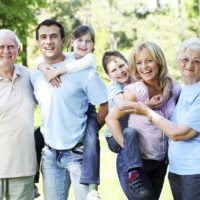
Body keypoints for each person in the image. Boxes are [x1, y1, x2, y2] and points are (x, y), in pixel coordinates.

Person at [31, 19, 108, 200]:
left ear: (63, 39)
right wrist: (42, 66)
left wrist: (89, 132)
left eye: (53, 37)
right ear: (37, 42)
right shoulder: (35, 75)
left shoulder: (84, 70)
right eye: (43, 37)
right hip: (49, 156)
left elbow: (106, 105)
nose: (48, 41)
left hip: (78, 154)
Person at [121, 37, 200, 200]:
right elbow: (112, 117)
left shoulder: (183, 90)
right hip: (171, 170)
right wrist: (127, 147)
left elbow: (179, 133)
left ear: (159, 62)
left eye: (196, 61)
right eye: (185, 60)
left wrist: (147, 111)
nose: (189, 65)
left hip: (193, 171)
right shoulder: (184, 90)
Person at [106, 42, 181, 200]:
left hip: (160, 163)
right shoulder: (134, 91)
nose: (143, 67)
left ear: (159, 61)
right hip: (136, 165)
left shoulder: (174, 88)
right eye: (139, 63)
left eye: (149, 61)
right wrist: (128, 150)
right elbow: (110, 118)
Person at [0, 29, 37, 199]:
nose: (6, 51)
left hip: (23, 166)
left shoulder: (30, 76)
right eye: (1, 47)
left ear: (18, 50)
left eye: (10, 46)